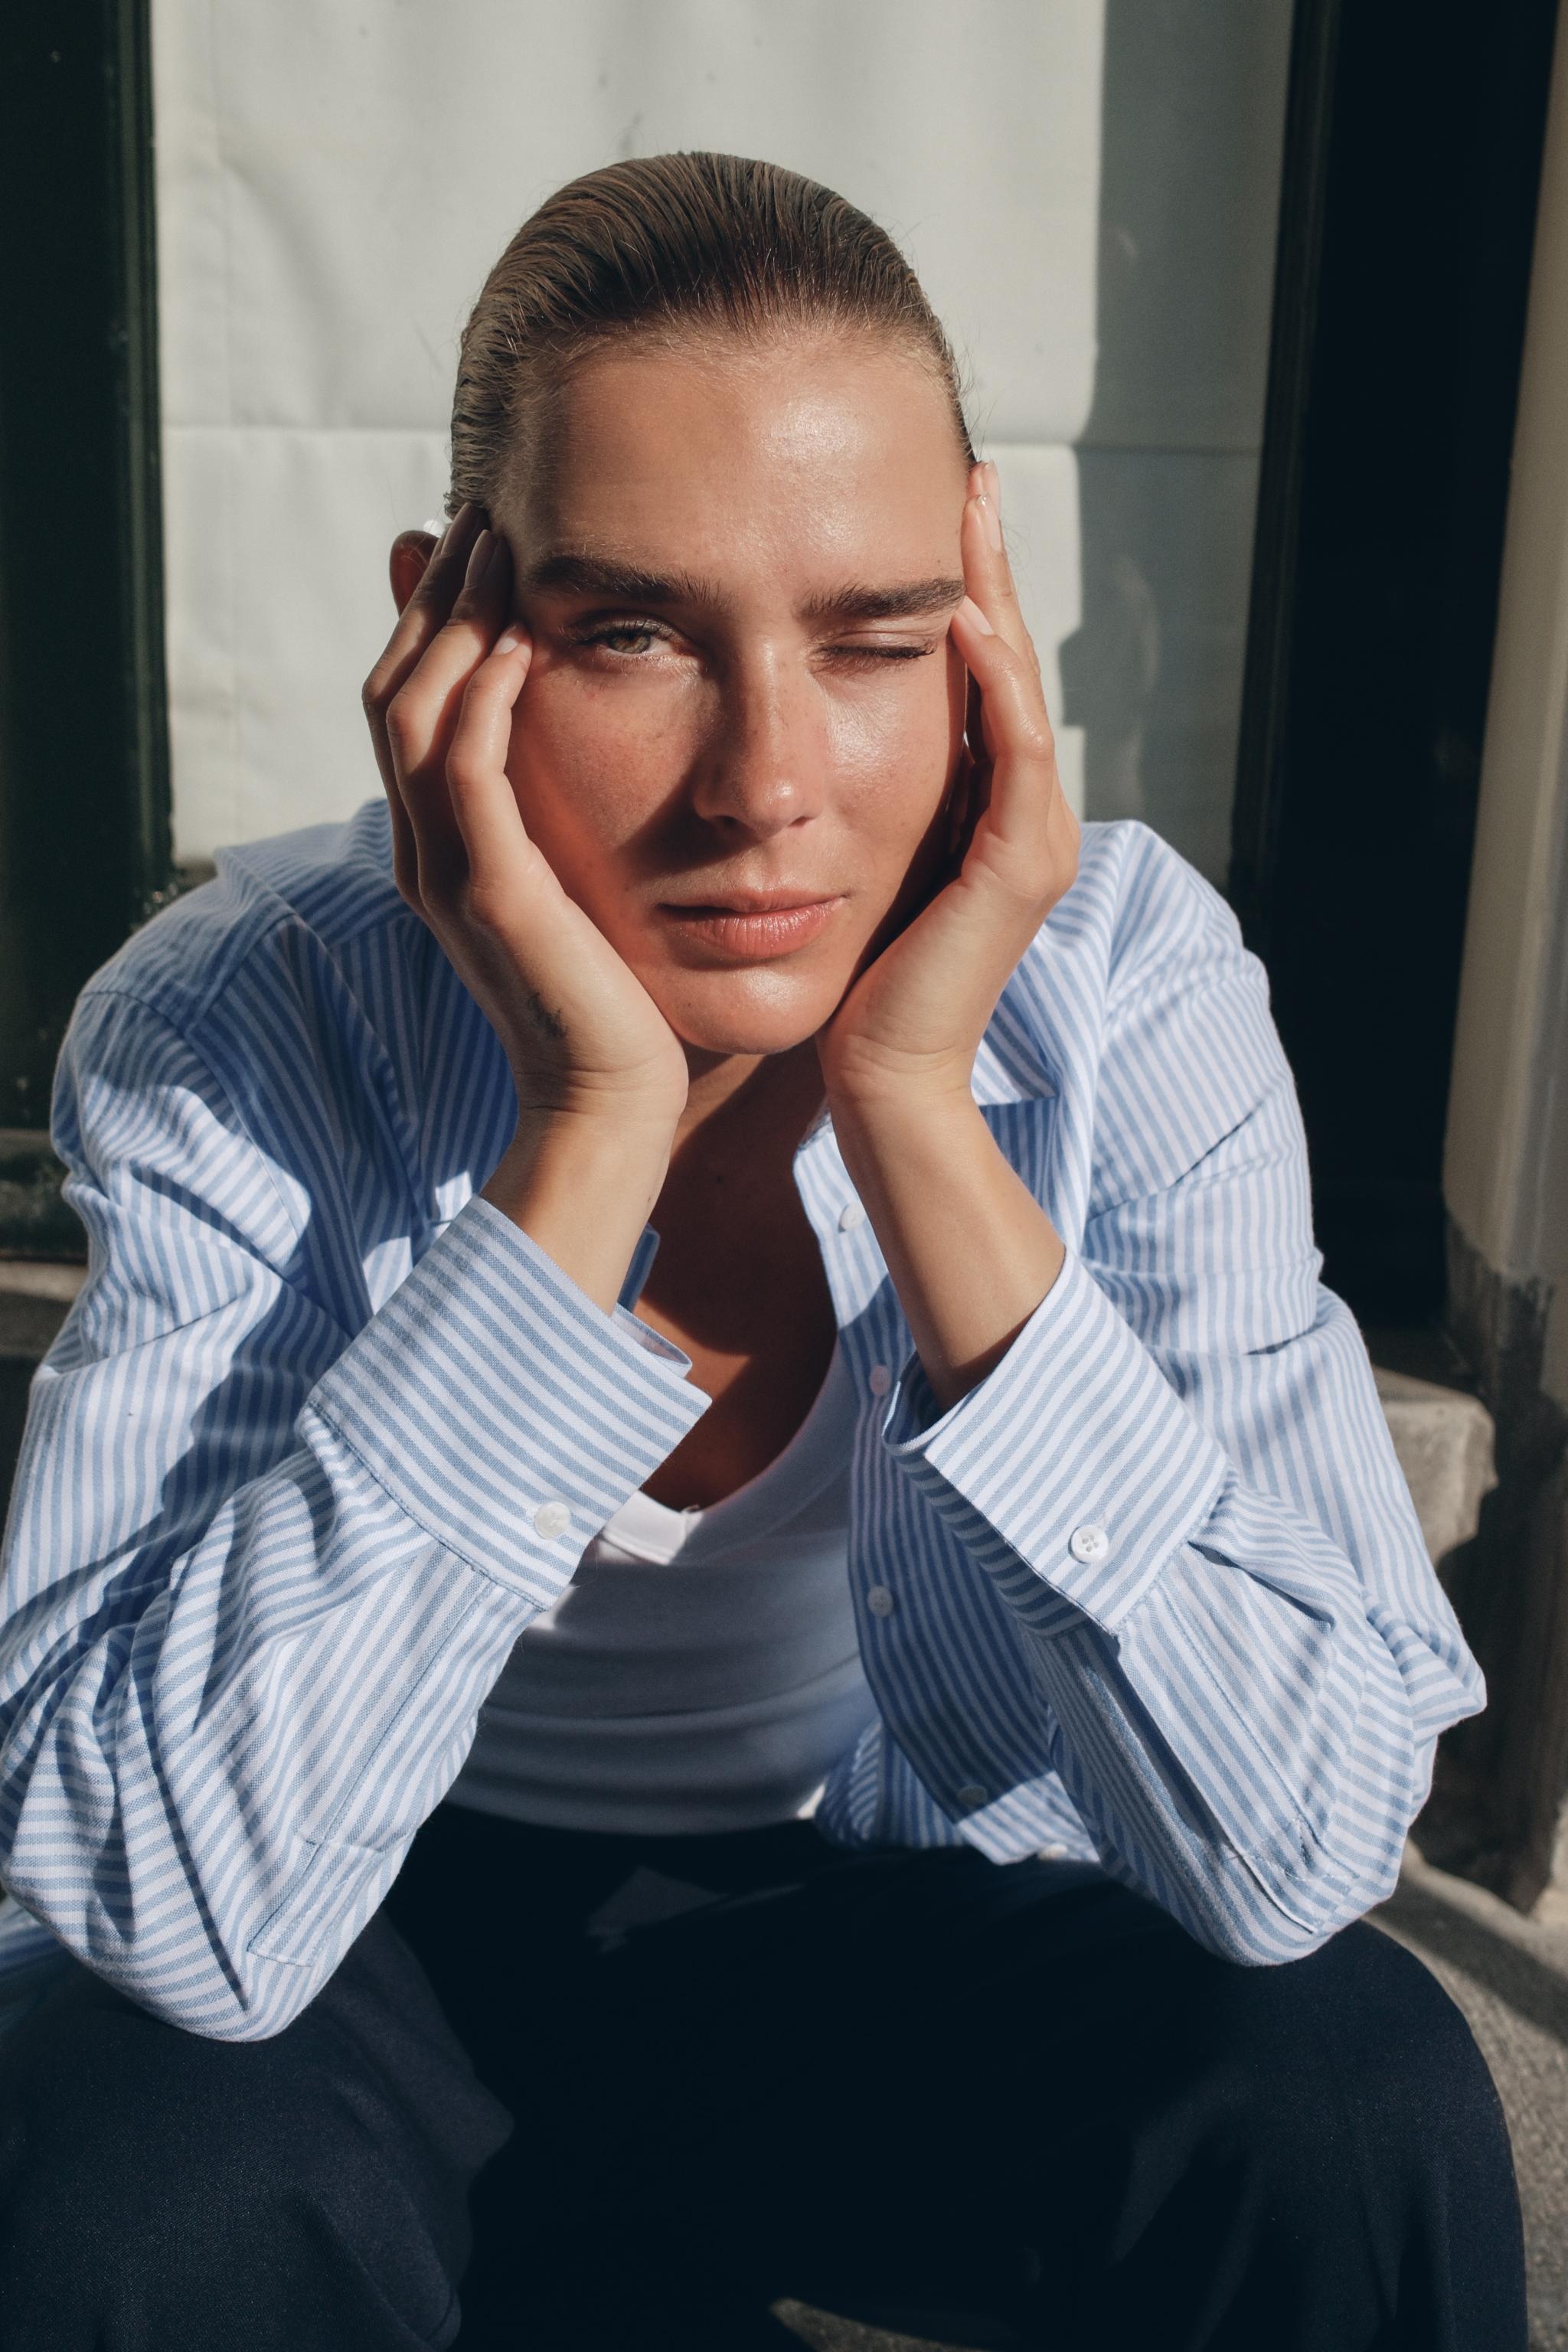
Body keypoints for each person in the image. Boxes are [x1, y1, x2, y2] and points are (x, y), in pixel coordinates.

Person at [0, 152, 1527, 2350]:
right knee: (116, 2173)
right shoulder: (241, 1020)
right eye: (633, 632)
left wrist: (921, 1116)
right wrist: (587, 1131)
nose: (770, 781)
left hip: (888, 1929)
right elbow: (154, 1901)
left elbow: (1292, 1858)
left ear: (982, 634)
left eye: (875, 637)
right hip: (370, 1954)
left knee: (1354, 2094)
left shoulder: (1125, 987)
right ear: (450, 632)